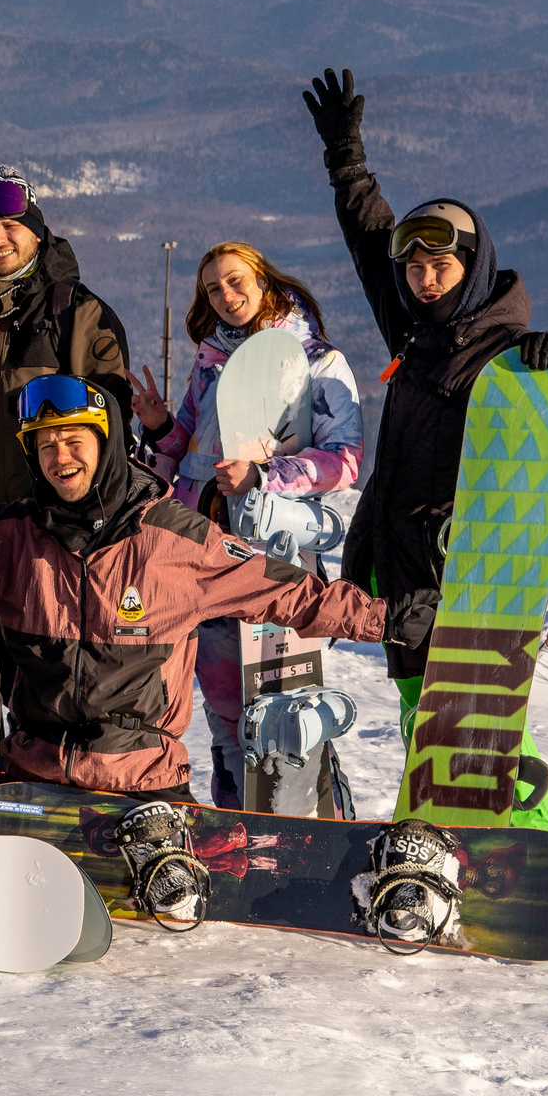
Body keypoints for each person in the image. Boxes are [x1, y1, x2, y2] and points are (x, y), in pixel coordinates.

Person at [305, 68, 548, 824]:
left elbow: (535, 468)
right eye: (416, 268)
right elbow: (367, 240)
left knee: (463, 731)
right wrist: (348, 164)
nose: (424, 280)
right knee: (429, 722)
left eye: (440, 266)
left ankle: (519, 845)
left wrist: (544, 366)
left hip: (463, 580)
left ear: (473, 264)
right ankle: (449, 839)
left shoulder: (503, 353)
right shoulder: (418, 334)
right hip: (402, 565)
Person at [0, 374, 385, 799]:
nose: (61, 458)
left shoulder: (173, 539)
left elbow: (280, 588)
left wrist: (383, 619)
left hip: (143, 782)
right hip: (31, 779)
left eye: (75, 441)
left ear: (106, 443)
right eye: (46, 446)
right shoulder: (4, 536)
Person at [129, 240, 363, 807]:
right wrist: (160, 428)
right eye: (214, 288)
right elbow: (187, 442)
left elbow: (346, 459)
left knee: (280, 708)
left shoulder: (316, 361)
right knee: (221, 704)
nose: (227, 296)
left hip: (272, 550)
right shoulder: (211, 359)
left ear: (264, 281)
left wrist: (266, 475)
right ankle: (236, 821)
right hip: (201, 541)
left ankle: (301, 817)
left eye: (236, 282)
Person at [0, 165, 131, 511]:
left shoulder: (75, 312)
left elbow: (111, 428)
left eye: (10, 226)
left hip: (50, 518)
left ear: (36, 232)